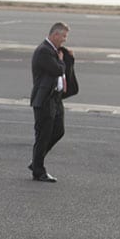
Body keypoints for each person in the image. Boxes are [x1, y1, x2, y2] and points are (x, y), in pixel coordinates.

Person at [29, 22, 77, 182]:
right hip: (44, 100)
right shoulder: (44, 51)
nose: (64, 40)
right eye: (63, 36)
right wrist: (62, 60)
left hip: (55, 98)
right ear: (55, 35)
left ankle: (36, 161)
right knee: (43, 135)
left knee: (58, 131)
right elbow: (57, 69)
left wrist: (68, 59)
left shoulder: (55, 51)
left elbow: (62, 69)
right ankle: (38, 171)